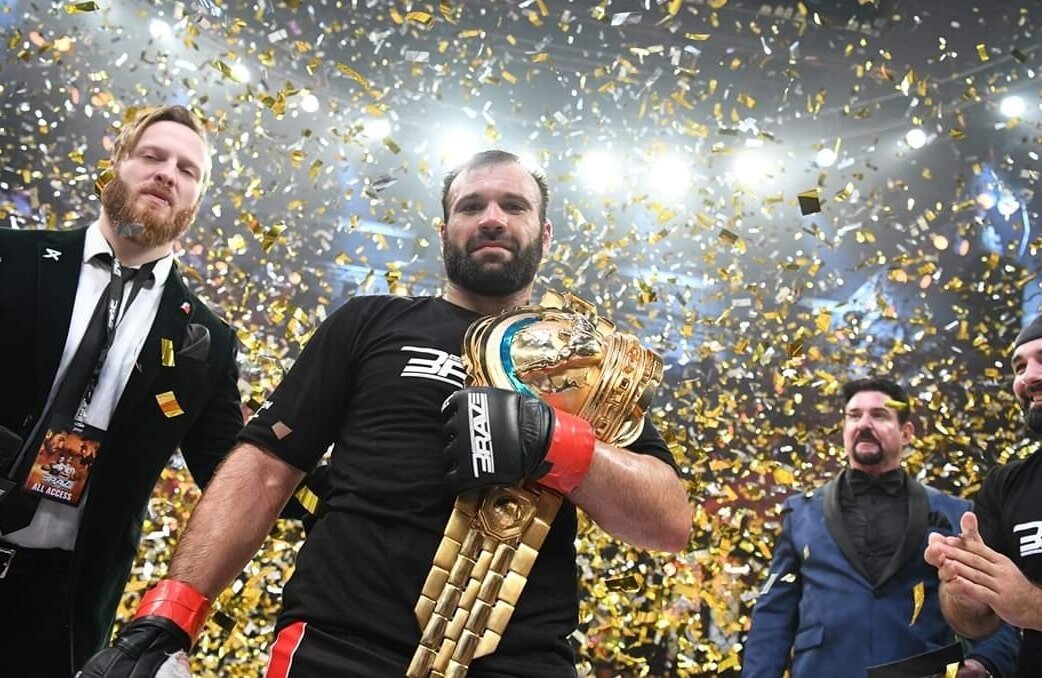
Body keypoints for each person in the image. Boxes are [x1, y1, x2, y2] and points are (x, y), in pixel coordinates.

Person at [80, 149, 692, 677]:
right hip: (337, 645)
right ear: (444, 230)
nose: (492, 218)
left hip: (520, 660)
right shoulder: (369, 322)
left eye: (514, 206)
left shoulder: (584, 365)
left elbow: (668, 522)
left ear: (545, 233)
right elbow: (264, 468)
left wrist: (558, 442)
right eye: (471, 206)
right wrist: (171, 614)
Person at [0, 105, 245, 676]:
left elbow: (231, 473)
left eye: (187, 169)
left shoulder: (209, 340)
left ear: (196, 198)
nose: (167, 174)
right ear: (116, 164)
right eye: (153, 156)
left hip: (62, 603)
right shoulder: (11, 257)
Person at [743, 377, 1018, 678]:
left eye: (879, 415)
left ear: (906, 433)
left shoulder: (957, 514)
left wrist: (984, 663)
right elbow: (773, 614)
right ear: (844, 429)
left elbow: (995, 606)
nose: (864, 424)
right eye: (854, 415)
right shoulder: (800, 514)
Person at [926, 307, 1042, 677]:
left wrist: (1037, 605)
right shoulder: (1005, 484)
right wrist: (962, 589)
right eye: (1019, 367)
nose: (1030, 377)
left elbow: (1027, 605)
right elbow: (977, 624)